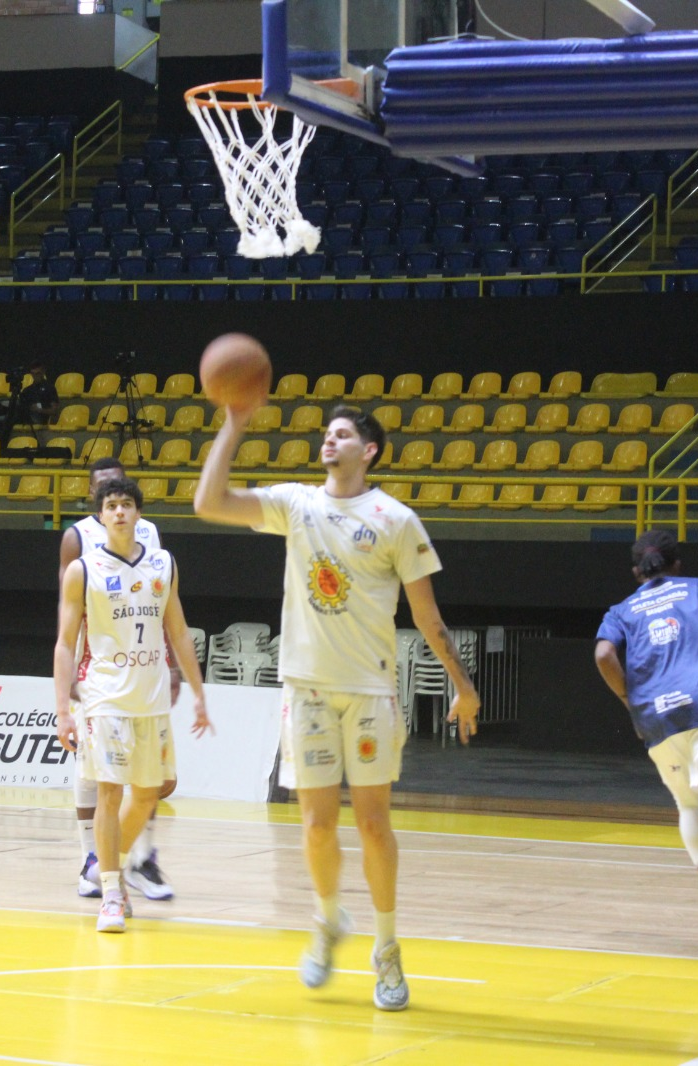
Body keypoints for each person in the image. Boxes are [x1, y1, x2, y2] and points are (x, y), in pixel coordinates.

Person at [195, 403, 480, 1012]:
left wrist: (462, 684)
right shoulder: (297, 504)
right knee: (317, 826)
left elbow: (427, 617)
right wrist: (234, 425)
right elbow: (208, 502)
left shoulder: (396, 520)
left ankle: (387, 950)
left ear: (369, 451)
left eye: (343, 434)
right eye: (327, 433)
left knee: (374, 824)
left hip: (372, 691)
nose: (330, 440)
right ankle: (327, 920)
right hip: (307, 690)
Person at [54, 475, 210, 933]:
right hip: (105, 697)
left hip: (153, 696)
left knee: (153, 791)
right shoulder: (83, 570)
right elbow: (65, 644)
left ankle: (112, 866)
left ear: (139, 515)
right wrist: (63, 708)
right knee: (110, 791)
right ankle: (110, 891)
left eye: (126, 504)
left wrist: (199, 692)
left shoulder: (163, 563)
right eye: (111, 505)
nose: (119, 511)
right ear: (99, 517)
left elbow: (178, 632)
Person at [593, 530, 698, 966]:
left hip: (656, 716)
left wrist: (630, 700)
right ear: (676, 564)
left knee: (688, 804)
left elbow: (604, 655)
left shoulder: (623, 609)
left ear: (635, 571)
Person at [60, 456, 179, 902]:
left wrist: (170, 664)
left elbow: (160, 603)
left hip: (144, 671)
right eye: (106, 491)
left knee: (153, 784)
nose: (116, 500)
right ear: (95, 498)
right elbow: (67, 611)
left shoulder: (149, 537)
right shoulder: (78, 539)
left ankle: (138, 857)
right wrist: (69, 667)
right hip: (99, 670)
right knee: (97, 775)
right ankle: (93, 861)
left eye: (122, 492)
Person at [0, 363, 59, 443]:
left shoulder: (49, 388)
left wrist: (39, 409)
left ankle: (2, 443)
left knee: (10, 420)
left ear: (43, 372)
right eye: (33, 374)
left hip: (37, 417)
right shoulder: (28, 390)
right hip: (22, 414)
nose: (36, 376)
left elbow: (54, 411)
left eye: (38, 373)